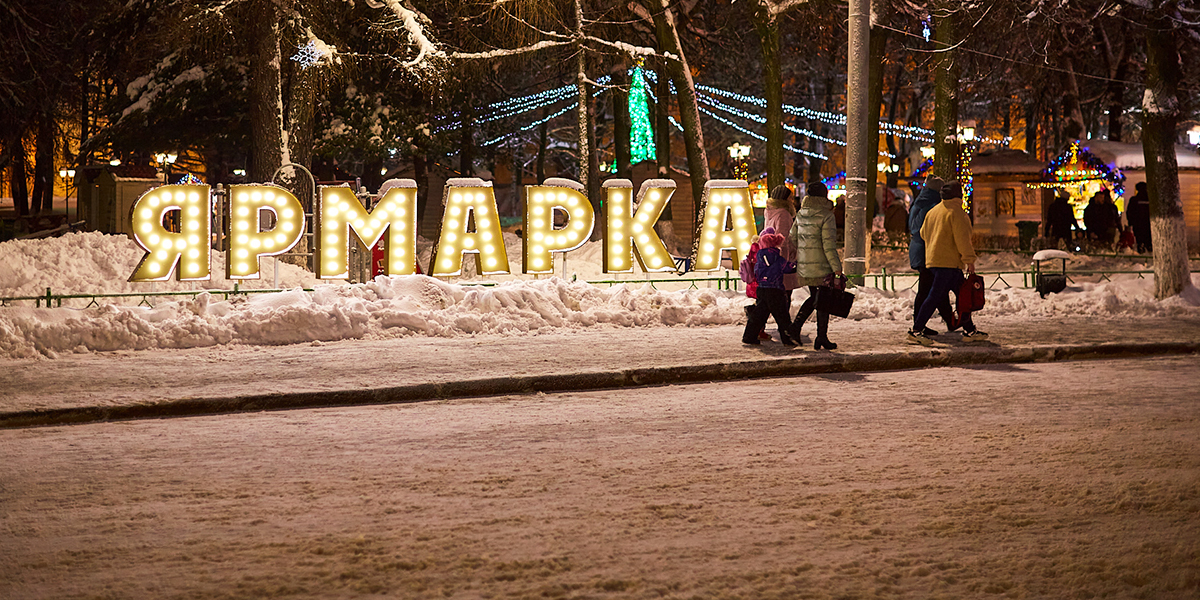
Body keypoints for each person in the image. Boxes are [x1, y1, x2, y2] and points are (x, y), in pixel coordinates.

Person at [908, 181, 988, 346]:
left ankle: (969, 330)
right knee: (935, 297)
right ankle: (916, 330)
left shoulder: (934, 211)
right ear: (959, 194)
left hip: (935, 261)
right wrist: (969, 260)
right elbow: (963, 239)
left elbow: (923, 233)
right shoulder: (957, 213)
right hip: (948, 263)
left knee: (962, 296)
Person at [787, 182, 843, 350]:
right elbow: (828, 246)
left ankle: (820, 336)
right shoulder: (827, 215)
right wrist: (837, 267)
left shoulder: (801, 213)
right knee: (819, 299)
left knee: (819, 298)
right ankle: (799, 329)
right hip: (822, 266)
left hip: (805, 265)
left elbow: (792, 237)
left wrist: (804, 253)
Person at [907, 175, 957, 337]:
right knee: (928, 289)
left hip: (920, 249)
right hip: (927, 251)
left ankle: (949, 320)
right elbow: (927, 230)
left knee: (937, 288)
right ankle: (919, 324)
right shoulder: (933, 205)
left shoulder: (919, 202)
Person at [742, 227, 796, 346]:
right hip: (775, 290)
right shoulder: (777, 258)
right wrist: (797, 265)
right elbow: (788, 268)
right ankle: (788, 339)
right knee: (782, 316)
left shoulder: (759, 258)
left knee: (759, 315)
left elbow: (757, 272)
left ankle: (749, 336)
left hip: (762, 289)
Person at [764, 184, 800, 318]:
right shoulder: (783, 214)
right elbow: (783, 240)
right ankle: (785, 324)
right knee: (785, 294)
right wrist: (784, 262)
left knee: (774, 293)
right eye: (790, 197)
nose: (792, 200)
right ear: (784, 199)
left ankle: (762, 319)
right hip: (783, 258)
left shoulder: (769, 211)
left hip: (770, 256)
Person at [1126, 182, 1152, 253]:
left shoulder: (1134, 200)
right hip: (1149, 224)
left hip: (1138, 225)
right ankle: (1149, 251)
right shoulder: (1150, 200)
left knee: (1140, 240)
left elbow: (1130, 212)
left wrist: (1131, 223)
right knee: (1149, 241)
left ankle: (1141, 250)